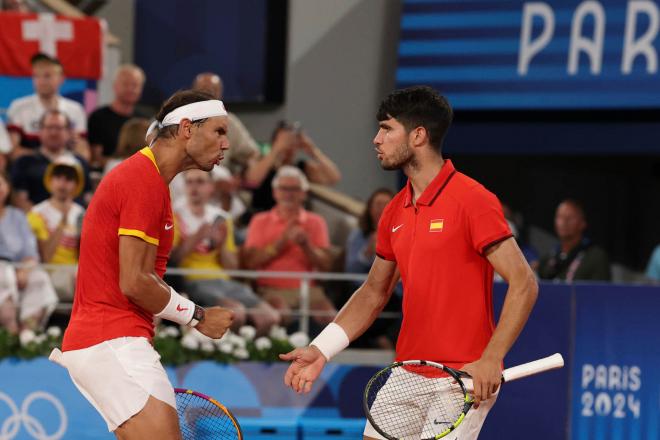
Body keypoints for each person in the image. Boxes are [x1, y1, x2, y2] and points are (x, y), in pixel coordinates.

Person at [279, 86, 538, 440]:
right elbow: (373, 292)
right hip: (407, 372)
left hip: (463, 377)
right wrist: (321, 349)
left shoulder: (473, 199)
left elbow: (524, 282)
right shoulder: (393, 211)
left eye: (386, 129)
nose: (376, 139)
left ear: (418, 135)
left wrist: (492, 358)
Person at [48, 90, 235, 438]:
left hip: (111, 341)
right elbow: (134, 282)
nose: (226, 144)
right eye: (219, 131)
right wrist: (198, 316)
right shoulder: (142, 180)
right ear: (186, 130)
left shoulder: (151, 182)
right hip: (110, 341)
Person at [172, 169, 279, 335]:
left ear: (211, 187)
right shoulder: (174, 216)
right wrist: (197, 236)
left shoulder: (222, 218)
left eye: (200, 182)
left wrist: (221, 245)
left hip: (223, 280)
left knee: (270, 317)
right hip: (193, 280)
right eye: (190, 182)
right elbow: (172, 261)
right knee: (236, 313)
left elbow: (232, 267)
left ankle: (247, 354)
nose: (194, 187)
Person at [243, 166, 336, 327]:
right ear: (275, 192)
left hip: (309, 290)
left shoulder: (316, 221)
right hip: (271, 289)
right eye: (284, 188)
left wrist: (306, 246)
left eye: (294, 189)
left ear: (303, 194)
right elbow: (250, 262)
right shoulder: (259, 220)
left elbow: (326, 265)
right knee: (280, 312)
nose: (289, 193)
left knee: (332, 320)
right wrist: (281, 242)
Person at [0, 172, 58, 333]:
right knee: (4, 278)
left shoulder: (18, 216)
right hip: (2, 270)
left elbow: (30, 250)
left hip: (18, 266)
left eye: (1, 184)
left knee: (39, 278)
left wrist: (25, 269)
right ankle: (9, 334)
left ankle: (28, 333)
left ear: (7, 188)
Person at [344, 188, 401, 349]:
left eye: (385, 204)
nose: (381, 209)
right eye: (377, 204)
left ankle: (385, 340)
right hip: (364, 287)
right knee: (354, 300)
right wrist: (368, 251)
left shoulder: (403, 231)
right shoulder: (359, 235)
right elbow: (350, 269)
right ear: (369, 208)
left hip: (395, 290)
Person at [248, 120, 342, 213]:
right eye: (284, 141)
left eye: (292, 141)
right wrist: (277, 149)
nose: (288, 146)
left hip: (294, 219)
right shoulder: (262, 162)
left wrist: (312, 149)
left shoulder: (301, 168)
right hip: (262, 216)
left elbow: (333, 177)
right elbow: (252, 181)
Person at [6, 53, 88, 159]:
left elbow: (84, 154)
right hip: (30, 169)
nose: (41, 81)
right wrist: (45, 158)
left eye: (47, 76)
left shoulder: (75, 110)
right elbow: (12, 152)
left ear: (61, 78)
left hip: (65, 170)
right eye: (36, 76)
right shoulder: (19, 107)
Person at [27, 156, 85, 300]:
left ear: (76, 185)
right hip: (46, 273)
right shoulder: (37, 213)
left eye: (69, 179)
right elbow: (45, 257)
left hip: (75, 274)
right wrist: (62, 223)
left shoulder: (82, 214)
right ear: (50, 180)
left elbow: (83, 256)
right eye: (58, 177)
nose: (63, 184)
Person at [10, 110, 91, 211]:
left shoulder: (80, 163)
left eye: (59, 128)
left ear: (69, 132)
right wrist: (40, 222)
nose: (53, 133)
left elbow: (88, 199)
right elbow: (19, 200)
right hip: (35, 223)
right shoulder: (24, 162)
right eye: (49, 127)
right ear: (40, 131)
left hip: (75, 223)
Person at [537, 199, 611, 282]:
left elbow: (600, 292)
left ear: (583, 223)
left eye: (570, 218)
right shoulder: (547, 259)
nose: (564, 222)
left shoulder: (596, 258)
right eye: (560, 217)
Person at [88, 65, 146, 167]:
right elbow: (96, 158)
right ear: (115, 86)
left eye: (135, 85)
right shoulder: (98, 117)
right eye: (125, 84)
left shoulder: (145, 120)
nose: (130, 89)